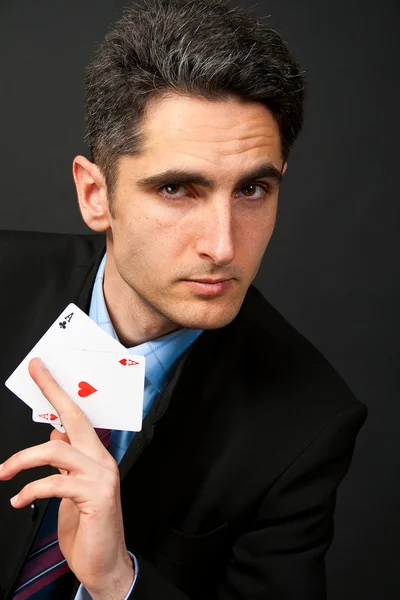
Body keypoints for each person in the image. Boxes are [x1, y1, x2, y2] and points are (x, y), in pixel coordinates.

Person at [0, 0, 367, 598]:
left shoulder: (308, 422)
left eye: (252, 188)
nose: (223, 246)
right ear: (96, 194)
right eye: (176, 188)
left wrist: (119, 580)